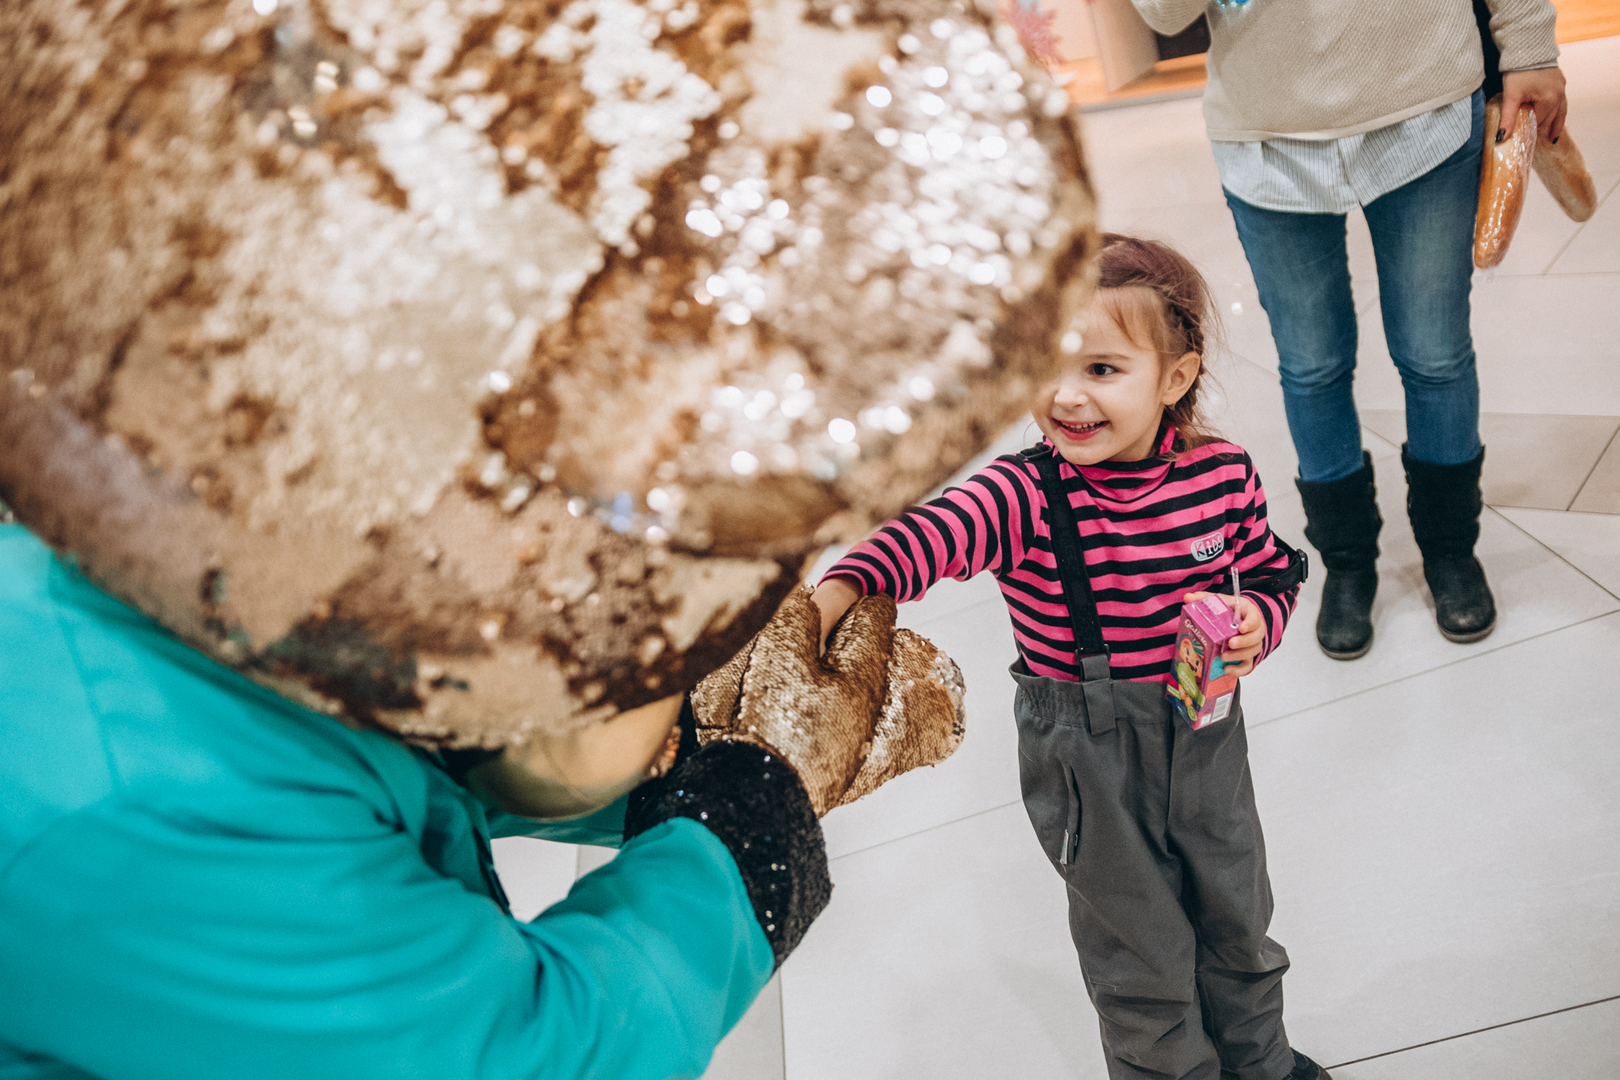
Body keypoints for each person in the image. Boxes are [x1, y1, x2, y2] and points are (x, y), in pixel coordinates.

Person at [0, 517, 949, 1079]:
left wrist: (681, 751)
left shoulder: (159, 575)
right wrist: (749, 816)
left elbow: (379, 768)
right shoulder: (141, 805)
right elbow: (533, 1052)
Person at [810, 235, 1326, 1080]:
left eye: (1101, 370)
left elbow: (1270, 569)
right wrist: (838, 593)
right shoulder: (1022, 494)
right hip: (1088, 757)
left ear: (1176, 378)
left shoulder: (1223, 474)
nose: (1065, 396)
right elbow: (923, 537)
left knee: (1239, 919)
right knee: (1142, 955)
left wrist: (1253, 623)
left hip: (1206, 738)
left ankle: (1260, 1061)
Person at [1129, 0, 1566, 660]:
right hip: (1266, 133)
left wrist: (1529, 46)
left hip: (1426, 96)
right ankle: (1347, 559)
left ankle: (1450, 549)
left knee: (1436, 351)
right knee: (1311, 364)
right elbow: (1164, 15)